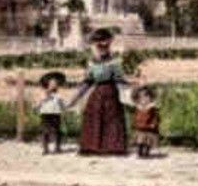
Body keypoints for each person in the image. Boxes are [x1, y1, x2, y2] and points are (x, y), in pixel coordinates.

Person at [69, 28, 130, 156]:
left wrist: (132, 88)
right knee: (94, 117)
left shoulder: (114, 62)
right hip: (97, 95)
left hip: (111, 94)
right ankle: (92, 147)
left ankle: (112, 147)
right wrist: (74, 99)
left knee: (112, 119)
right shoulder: (92, 63)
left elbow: (120, 80)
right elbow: (87, 81)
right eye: (98, 44)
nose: (101, 47)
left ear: (109, 45)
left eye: (104, 44)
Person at [35, 71, 67, 155]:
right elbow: (39, 103)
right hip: (46, 113)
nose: (54, 85)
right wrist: (45, 96)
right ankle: (45, 148)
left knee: (57, 130)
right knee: (45, 130)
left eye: (56, 83)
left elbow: (62, 103)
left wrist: (64, 109)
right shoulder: (43, 94)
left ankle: (57, 147)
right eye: (52, 83)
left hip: (56, 113)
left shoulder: (58, 95)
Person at [132, 85, 161, 159]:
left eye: (146, 97)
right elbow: (136, 116)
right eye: (141, 97)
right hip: (140, 126)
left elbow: (155, 117)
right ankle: (139, 152)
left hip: (148, 127)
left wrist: (154, 123)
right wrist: (135, 122)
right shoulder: (138, 107)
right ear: (138, 98)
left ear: (150, 98)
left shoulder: (152, 107)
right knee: (140, 141)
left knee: (148, 141)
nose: (144, 99)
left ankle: (146, 151)